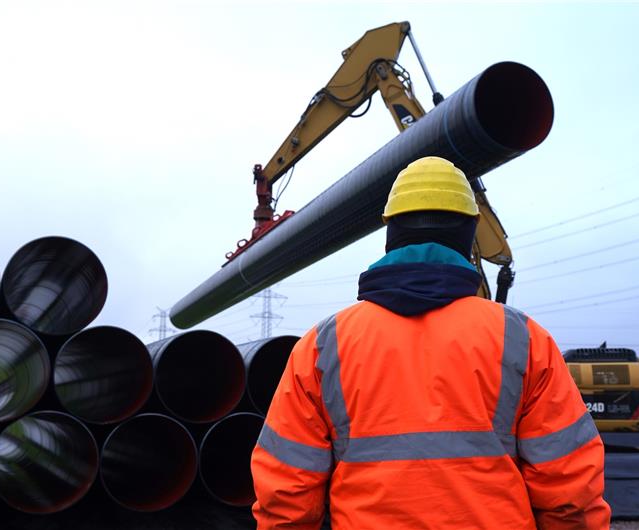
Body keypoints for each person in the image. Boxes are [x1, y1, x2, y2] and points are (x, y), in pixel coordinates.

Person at [250, 156, 610, 529]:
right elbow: (571, 492)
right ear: (471, 232)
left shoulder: (323, 346)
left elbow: (286, 494)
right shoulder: (522, 339)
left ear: (390, 231)